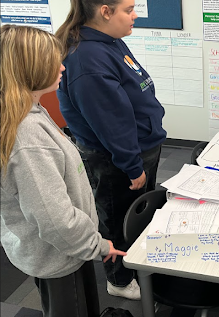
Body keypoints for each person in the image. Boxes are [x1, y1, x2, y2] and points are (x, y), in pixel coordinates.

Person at [0, 25, 126, 316]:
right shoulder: (28, 137)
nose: (62, 67)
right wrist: (98, 245)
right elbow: (55, 220)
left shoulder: (28, 111)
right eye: (52, 62)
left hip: (60, 249)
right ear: (31, 69)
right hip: (58, 256)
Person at [56, 0, 167, 300]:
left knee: (138, 213)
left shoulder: (110, 40)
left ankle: (136, 261)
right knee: (118, 218)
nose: (135, 16)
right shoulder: (87, 60)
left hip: (139, 146)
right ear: (105, 11)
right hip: (116, 158)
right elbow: (111, 123)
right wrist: (132, 166)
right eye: (128, 10)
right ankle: (118, 280)